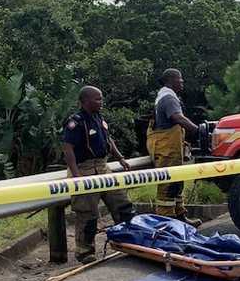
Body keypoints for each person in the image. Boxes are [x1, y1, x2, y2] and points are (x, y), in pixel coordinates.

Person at [61, 86, 136, 263]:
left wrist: (121, 159)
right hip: (84, 168)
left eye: (101, 98)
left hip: (103, 167)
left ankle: (128, 241)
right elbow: (67, 148)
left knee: (122, 205)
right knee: (87, 213)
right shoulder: (75, 122)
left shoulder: (99, 118)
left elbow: (109, 141)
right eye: (97, 99)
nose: (101, 102)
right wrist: (76, 174)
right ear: (85, 101)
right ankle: (85, 251)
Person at [146, 68, 201, 226]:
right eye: (180, 79)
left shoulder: (166, 96)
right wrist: (198, 130)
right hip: (166, 149)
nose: (182, 82)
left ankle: (179, 217)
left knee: (177, 183)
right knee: (168, 186)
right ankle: (167, 223)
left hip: (171, 148)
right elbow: (177, 117)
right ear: (171, 80)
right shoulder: (168, 98)